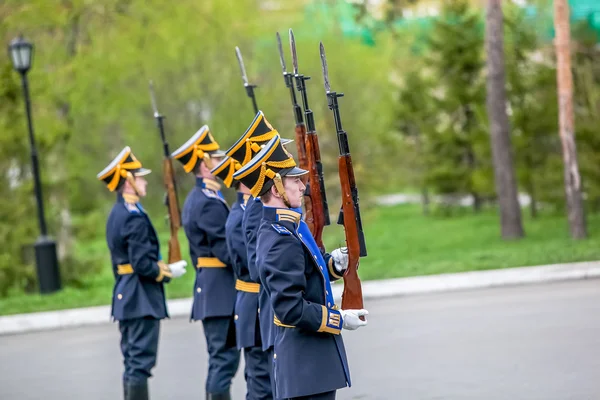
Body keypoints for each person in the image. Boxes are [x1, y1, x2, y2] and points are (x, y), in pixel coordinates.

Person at [233, 136, 369, 400]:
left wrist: (333, 264)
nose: (302, 186)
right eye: (294, 180)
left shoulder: (287, 228)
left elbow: (304, 275)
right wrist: (339, 319)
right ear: (275, 188)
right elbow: (290, 307)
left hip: (310, 364)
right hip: (304, 363)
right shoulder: (279, 239)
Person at [97, 146, 188, 400]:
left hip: (128, 295)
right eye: (139, 177)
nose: (144, 181)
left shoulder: (118, 213)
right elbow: (142, 264)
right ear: (128, 182)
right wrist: (167, 272)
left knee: (133, 363)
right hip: (140, 299)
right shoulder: (133, 218)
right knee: (140, 364)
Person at [211, 110, 290, 399]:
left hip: (259, 304)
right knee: (261, 387)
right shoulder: (243, 216)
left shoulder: (251, 211)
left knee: (270, 383)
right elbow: (258, 267)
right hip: (255, 307)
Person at [171, 126, 239, 400]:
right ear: (204, 163)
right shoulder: (207, 203)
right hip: (219, 291)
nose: (222, 162)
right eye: (217, 158)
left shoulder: (202, 198)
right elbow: (226, 250)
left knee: (222, 361)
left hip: (213, 290)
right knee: (223, 362)